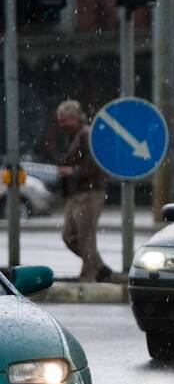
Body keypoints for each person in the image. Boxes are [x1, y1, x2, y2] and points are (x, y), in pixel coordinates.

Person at [56, 100, 111, 283]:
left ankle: (90, 275)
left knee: (85, 236)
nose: (61, 124)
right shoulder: (73, 136)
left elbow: (96, 163)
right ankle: (99, 268)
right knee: (69, 235)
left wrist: (72, 171)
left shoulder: (86, 135)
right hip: (76, 192)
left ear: (74, 118)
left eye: (64, 120)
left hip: (89, 191)